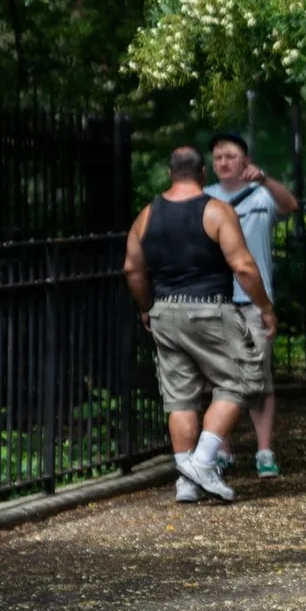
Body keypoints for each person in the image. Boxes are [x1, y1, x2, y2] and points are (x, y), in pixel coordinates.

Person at [122, 146, 278, 504]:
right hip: (210, 310)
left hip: (164, 312)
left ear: (170, 172)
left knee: (180, 398)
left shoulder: (146, 215)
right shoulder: (216, 210)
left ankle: (185, 483)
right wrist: (265, 307)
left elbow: (132, 269)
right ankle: (204, 461)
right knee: (242, 380)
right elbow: (243, 266)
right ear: (203, 173)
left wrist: (146, 306)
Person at [204, 131, 298, 483]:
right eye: (217, 158)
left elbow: (291, 206)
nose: (223, 163)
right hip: (216, 299)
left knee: (259, 379)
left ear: (245, 160)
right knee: (219, 378)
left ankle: (264, 450)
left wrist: (266, 179)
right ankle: (223, 452)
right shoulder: (205, 199)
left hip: (254, 301)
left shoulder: (262, 195)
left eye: (229, 156)